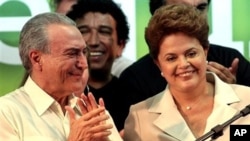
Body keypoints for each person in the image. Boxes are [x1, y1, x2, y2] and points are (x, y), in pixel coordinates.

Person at [123, 4, 250, 141]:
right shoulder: (140, 117)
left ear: (205, 52)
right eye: (171, 58)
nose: (184, 64)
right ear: (158, 64)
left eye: (191, 53)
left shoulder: (247, 100)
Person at [0, 12, 122, 141]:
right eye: (72, 53)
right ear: (37, 59)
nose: (83, 64)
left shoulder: (95, 116)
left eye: (83, 53)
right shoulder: (6, 112)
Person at [66, 0, 129, 131]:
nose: (93, 41)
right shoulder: (58, 96)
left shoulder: (134, 97)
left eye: (104, 31)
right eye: (83, 31)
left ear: (120, 45)